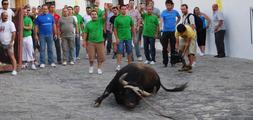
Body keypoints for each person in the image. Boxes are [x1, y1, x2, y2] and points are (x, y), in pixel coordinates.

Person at [82, 9, 107, 75]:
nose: (94, 15)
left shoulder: (100, 21)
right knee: (91, 57)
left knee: (100, 56)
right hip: (91, 43)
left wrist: (106, 10)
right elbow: (85, 33)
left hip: (100, 42)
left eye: (95, 14)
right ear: (90, 16)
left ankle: (99, 68)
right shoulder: (88, 24)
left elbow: (105, 17)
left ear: (97, 15)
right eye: (92, 14)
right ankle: (91, 66)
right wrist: (84, 41)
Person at [114, 4, 136, 71]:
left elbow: (132, 27)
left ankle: (129, 65)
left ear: (126, 9)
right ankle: (118, 65)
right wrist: (117, 38)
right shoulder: (117, 18)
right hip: (120, 38)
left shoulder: (129, 18)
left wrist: (134, 37)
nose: (124, 10)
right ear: (120, 10)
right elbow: (115, 29)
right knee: (119, 51)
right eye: (122, 9)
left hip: (128, 37)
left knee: (129, 51)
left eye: (125, 9)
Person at [160, 0, 181, 67]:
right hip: (165, 32)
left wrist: (176, 23)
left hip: (172, 32)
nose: (168, 6)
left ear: (172, 5)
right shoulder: (163, 12)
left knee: (173, 48)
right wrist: (161, 27)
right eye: (167, 5)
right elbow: (161, 20)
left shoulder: (175, 12)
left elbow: (179, 17)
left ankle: (173, 62)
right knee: (164, 48)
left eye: (169, 5)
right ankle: (165, 62)